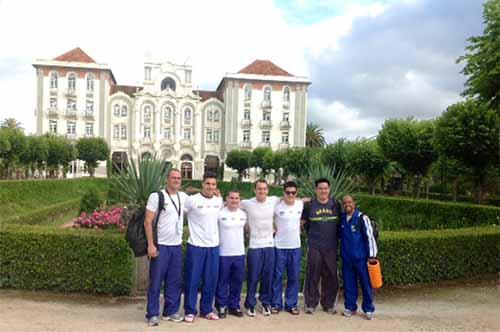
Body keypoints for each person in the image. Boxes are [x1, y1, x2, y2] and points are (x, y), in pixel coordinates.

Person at [144, 168, 188, 326]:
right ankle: (153, 314)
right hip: (160, 246)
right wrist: (150, 245)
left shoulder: (183, 197)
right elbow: (147, 221)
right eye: (173, 177)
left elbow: (199, 200)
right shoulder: (157, 196)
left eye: (179, 178)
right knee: (156, 281)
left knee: (174, 281)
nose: (176, 180)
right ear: (167, 179)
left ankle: (171, 311)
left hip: (176, 246)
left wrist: (215, 193)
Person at [183, 172, 223, 323]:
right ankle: (189, 310)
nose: (210, 187)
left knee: (210, 280)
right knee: (192, 280)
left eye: (213, 184)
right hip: (196, 246)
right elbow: (178, 213)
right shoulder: (192, 200)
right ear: (202, 184)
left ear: (216, 186)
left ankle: (206, 310)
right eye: (208, 184)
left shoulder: (218, 200)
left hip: (213, 246)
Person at [301, 178, 342, 315]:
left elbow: (342, 225)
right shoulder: (309, 205)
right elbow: (302, 224)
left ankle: (329, 304)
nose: (323, 191)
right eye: (320, 188)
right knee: (313, 274)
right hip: (314, 246)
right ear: (316, 190)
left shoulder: (336, 204)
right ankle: (310, 304)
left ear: (329, 190)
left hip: (331, 246)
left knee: (331, 275)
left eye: (326, 188)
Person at [241, 179, 280, 317]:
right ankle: (250, 305)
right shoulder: (247, 203)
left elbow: (289, 198)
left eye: (264, 189)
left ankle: (265, 303)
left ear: (267, 190)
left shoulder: (273, 200)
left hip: (269, 245)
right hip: (254, 246)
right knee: (253, 277)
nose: (262, 191)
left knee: (267, 277)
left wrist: (308, 199)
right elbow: (231, 203)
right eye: (259, 189)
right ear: (255, 190)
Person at [340, 195, 378, 320]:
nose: (347, 205)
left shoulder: (362, 218)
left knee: (366, 284)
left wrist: (372, 256)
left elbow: (370, 237)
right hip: (347, 259)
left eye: (349, 202)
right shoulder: (342, 219)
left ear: (354, 203)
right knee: (349, 284)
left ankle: (368, 309)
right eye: (345, 203)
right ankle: (350, 307)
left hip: (361, 259)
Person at [271, 181, 304, 315]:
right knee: (277, 276)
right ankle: (276, 303)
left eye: (293, 192)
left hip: (295, 246)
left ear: (296, 193)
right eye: (288, 192)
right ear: (283, 193)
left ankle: (291, 304)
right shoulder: (276, 206)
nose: (290, 195)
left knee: (293, 277)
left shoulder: (300, 204)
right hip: (279, 246)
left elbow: (307, 204)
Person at [215, 190, 247, 318]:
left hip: (239, 253)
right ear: (226, 199)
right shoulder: (220, 213)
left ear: (239, 200)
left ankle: (234, 305)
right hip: (223, 253)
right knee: (222, 281)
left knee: (237, 281)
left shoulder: (243, 214)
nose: (234, 200)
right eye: (232, 198)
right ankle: (221, 306)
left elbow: (247, 231)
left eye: (236, 198)